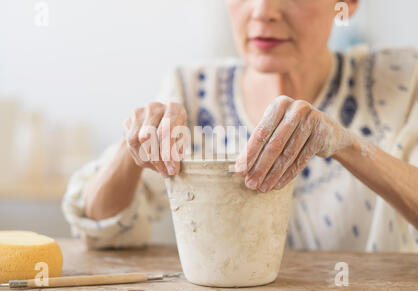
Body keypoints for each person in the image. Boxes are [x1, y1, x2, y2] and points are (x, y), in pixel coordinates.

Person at [62, 0, 418, 252]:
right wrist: (131, 148)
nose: (263, 10)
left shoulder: (404, 80)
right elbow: (99, 229)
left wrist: (347, 146)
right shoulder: (191, 90)